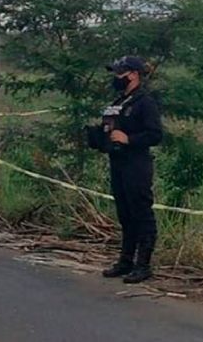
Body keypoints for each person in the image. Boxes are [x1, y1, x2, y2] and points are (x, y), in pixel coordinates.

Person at [87, 56, 163, 284]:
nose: (116, 78)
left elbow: (155, 135)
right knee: (125, 214)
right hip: (117, 162)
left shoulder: (144, 102)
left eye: (120, 73)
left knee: (141, 213)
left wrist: (129, 138)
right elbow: (111, 130)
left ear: (133, 74)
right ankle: (125, 261)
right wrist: (98, 137)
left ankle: (143, 265)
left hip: (137, 164)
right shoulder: (119, 101)